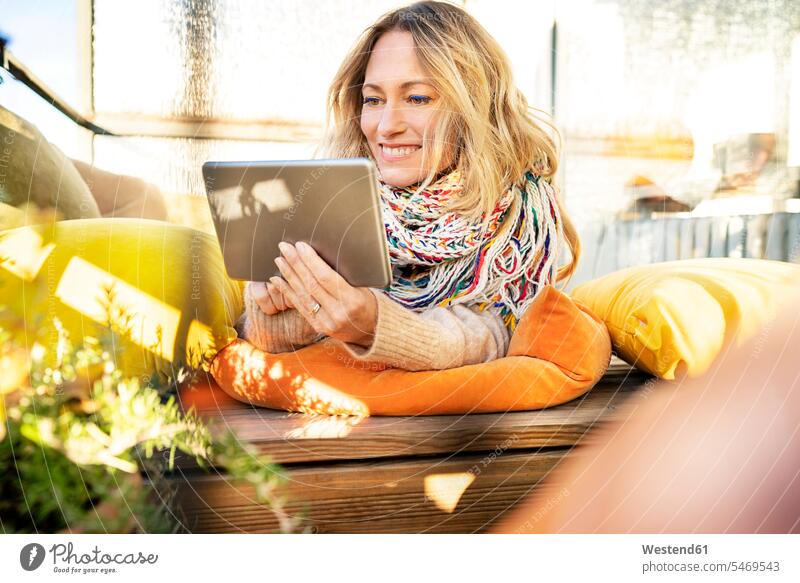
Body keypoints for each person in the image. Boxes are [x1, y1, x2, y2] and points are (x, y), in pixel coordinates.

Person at [237, 0, 580, 371]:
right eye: (373, 99)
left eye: (417, 98)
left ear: (475, 105)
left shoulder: (521, 215)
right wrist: (287, 308)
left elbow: (495, 335)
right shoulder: (327, 201)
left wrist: (371, 324)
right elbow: (261, 339)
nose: (386, 126)